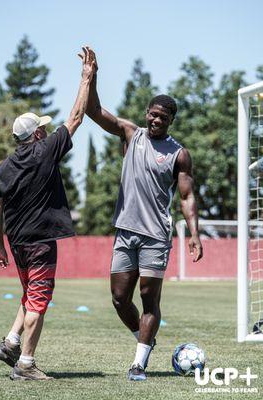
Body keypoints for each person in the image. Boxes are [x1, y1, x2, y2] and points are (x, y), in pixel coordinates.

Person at [83, 48, 203, 381]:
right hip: (125, 231)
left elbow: (187, 195)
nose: (155, 120)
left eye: (162, 118)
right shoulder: (130, 134)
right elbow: (93, 110)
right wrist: (91, 77)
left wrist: (193, 234)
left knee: (149, 299)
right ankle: (145, 340)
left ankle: (139, 362)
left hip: (155, 235)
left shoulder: (179, 154)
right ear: (146, 113)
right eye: (152, 114)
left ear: (170, 121)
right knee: (120, 298)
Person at [0, 47, 96, 381]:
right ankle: (25, 364)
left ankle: (10, 342)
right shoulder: (46, 150)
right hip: (40, 244)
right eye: (42, 129)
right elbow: (76, 117)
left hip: (18, 243)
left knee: (28, 295)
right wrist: (86, 78)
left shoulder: (2, 168)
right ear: (37, 134)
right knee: (38, 303)